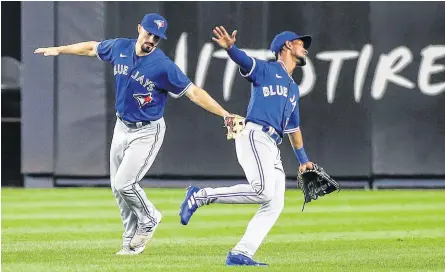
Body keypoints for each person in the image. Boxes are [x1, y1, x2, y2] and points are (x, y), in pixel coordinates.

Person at [35, 14, 232, 255]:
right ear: (139, 28)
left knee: (124, 183)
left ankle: (150, 218)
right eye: (148, 33)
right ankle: (130, 244)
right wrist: (59, 49)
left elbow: (194, 92)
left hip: (148, 131)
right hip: (122, 126)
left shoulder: (163, 65)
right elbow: (90, 48)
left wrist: (224, 114)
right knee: (118, 190)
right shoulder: (120, 47)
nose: (151, 39)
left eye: (156, 37)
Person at [179, 26, 315, 266]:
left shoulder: (293, 88)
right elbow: (244, 62)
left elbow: (293, 129)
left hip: (273, 144)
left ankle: (241, 253)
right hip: (254, 134)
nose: (304, 47)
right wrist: (231, 48)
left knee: (275, 203)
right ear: (286, 46)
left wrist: (303, 160)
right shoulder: (266, 70)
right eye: (300, 42)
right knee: (262, 190)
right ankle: (200, 196)